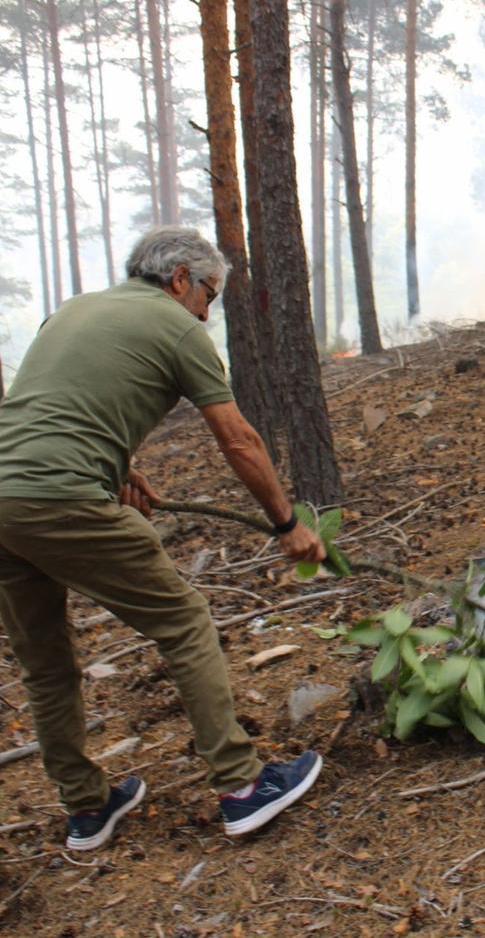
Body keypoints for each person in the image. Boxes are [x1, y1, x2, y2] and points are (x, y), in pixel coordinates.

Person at [0, 226, 327, 851]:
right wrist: (287, 525)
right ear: (181, 279)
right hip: (62, 499)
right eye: (210, 295)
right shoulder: (179, 327)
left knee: (45, 665)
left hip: (4, 500)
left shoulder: (73, 310)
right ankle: (241, 786)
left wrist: (115, 468)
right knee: (183, 622)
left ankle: (87, 808)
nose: (208, 312)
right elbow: (239, 440)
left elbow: (44, 412)